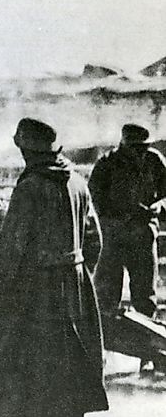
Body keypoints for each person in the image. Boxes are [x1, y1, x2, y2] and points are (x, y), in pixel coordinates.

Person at [0, 118, 108, 417]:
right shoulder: (78, 182)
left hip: (36, 292)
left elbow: (11, 250)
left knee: (22, 375)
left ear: (26, 148)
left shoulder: (30, 188)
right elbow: (95, 241)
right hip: (76, 287)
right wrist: (77, 274)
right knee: (69, 370)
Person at [88, 123, 166, 373]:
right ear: (124, 145)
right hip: (112, 241)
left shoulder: (154, 161)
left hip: (143, 237)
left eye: (144, 147)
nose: (141, 152)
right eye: (135, 148)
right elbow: (92, 203)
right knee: (105, 298)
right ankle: (98, 356)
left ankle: (150, 355)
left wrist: (159, 208)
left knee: (145, 297)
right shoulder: (106, 164)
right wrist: (115, 220)